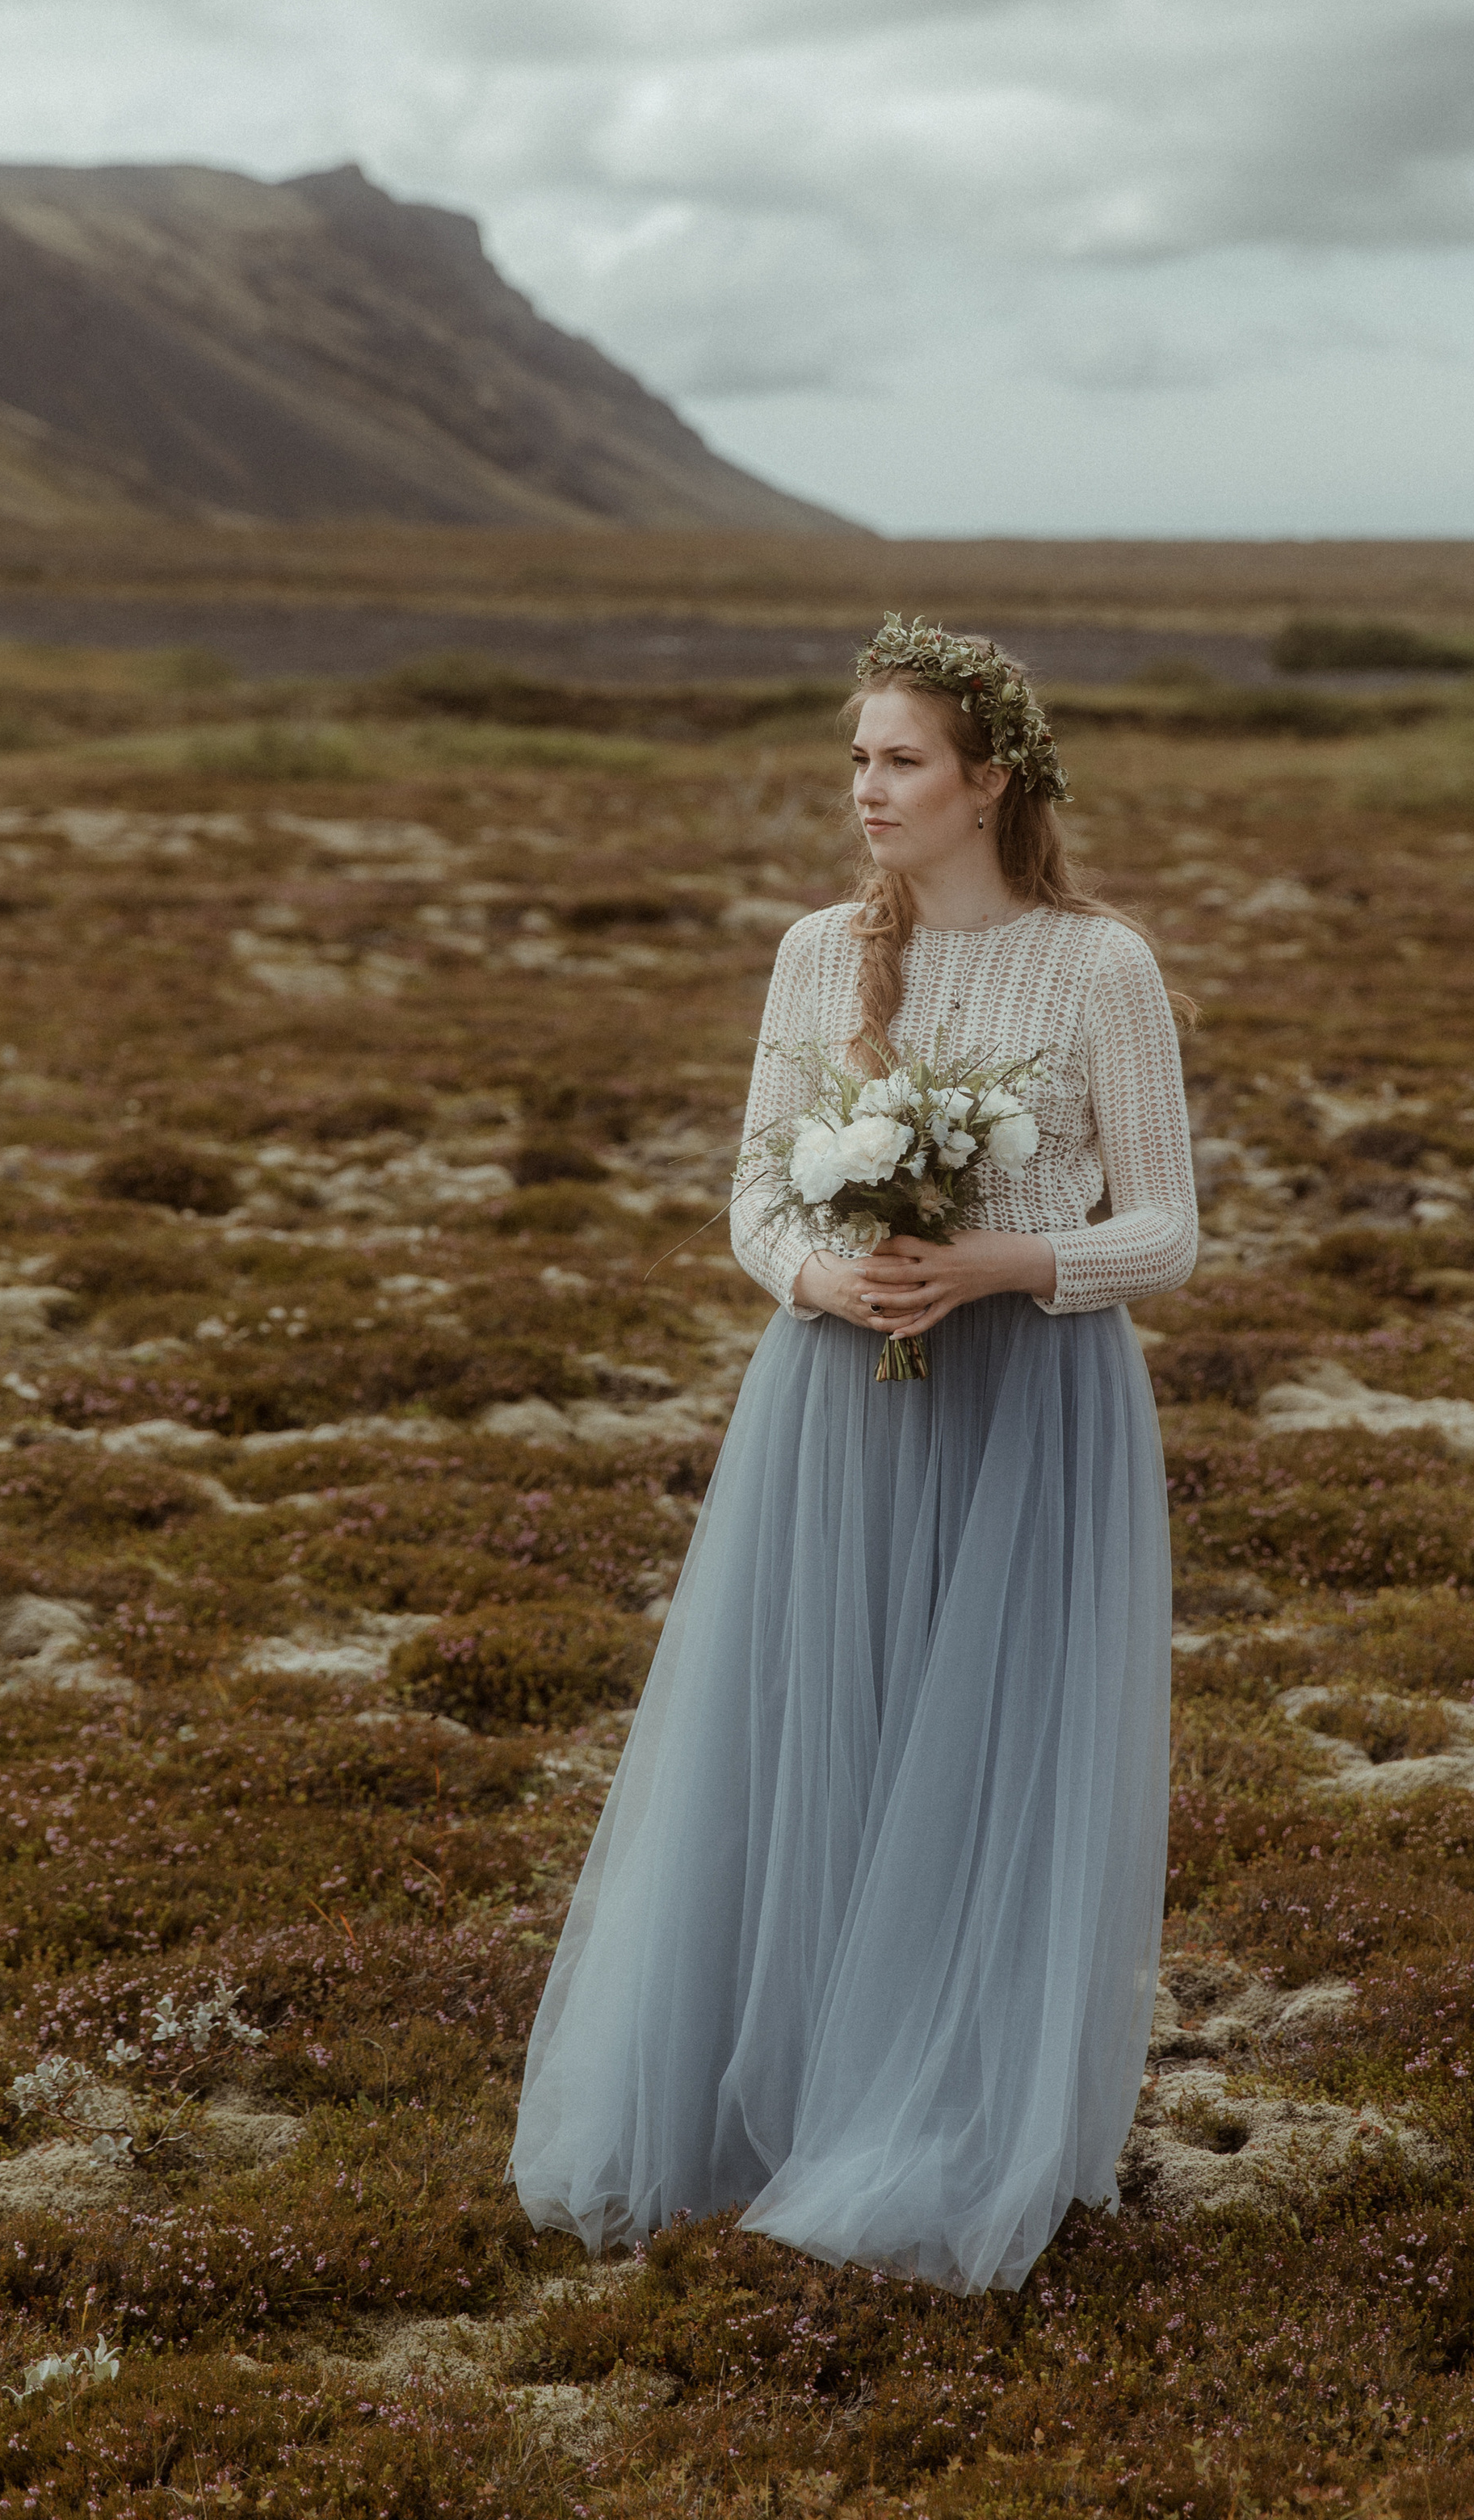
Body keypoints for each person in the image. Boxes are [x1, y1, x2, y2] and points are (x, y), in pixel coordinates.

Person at [509, 615, 1200, 2293]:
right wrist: (817, 1273)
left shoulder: (1098, 963)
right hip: (833, 1394)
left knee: (989, 1769)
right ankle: (786, 2102)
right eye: (854, 760)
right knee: (816, 1743)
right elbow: (752, 1187)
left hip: (1030, 1410)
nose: (865, 792)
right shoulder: (818, 954)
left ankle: (955, 2120)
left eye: (898, 762)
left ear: (990, 784)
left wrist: (997, 1264)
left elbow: (1168, 1230)